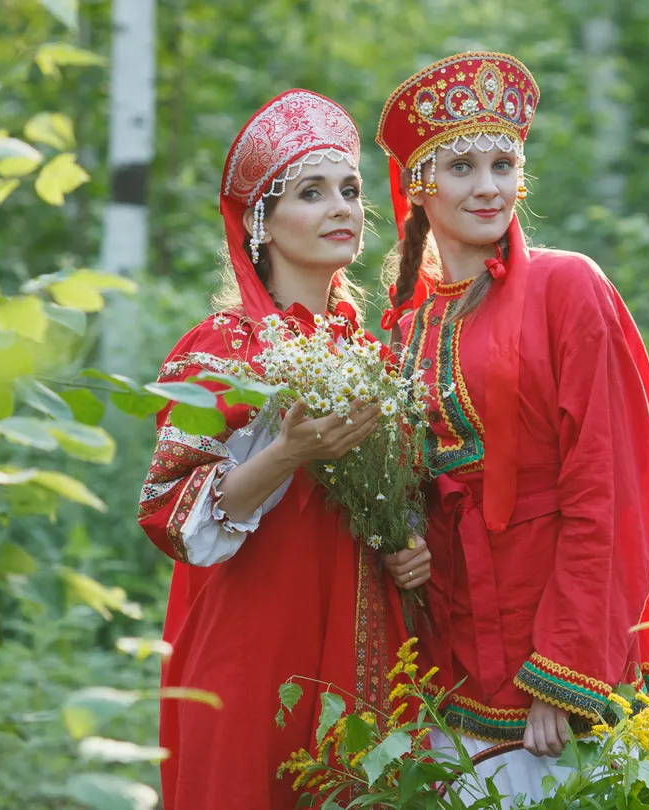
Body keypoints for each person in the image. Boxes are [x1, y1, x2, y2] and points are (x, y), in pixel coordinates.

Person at [373, 52, 649, 803]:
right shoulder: (402, 330)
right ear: (419, 185)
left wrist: (566, 669)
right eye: (460, 167)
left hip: (555, 661)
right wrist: (400, 541)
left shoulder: (568, 285)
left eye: (503, 163)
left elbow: (611, 485)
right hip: (447, 665)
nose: (488, 186)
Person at [137, 89, 430, 810]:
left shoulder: (372, 350)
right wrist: (286, 453)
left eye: (351, 190)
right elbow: (169, 513)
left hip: (365, 627)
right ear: (261, 221)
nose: (342, 208)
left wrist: (411, 540)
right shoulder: (226, 349)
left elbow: (400, 489)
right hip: (256, 640)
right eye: (312, 192)